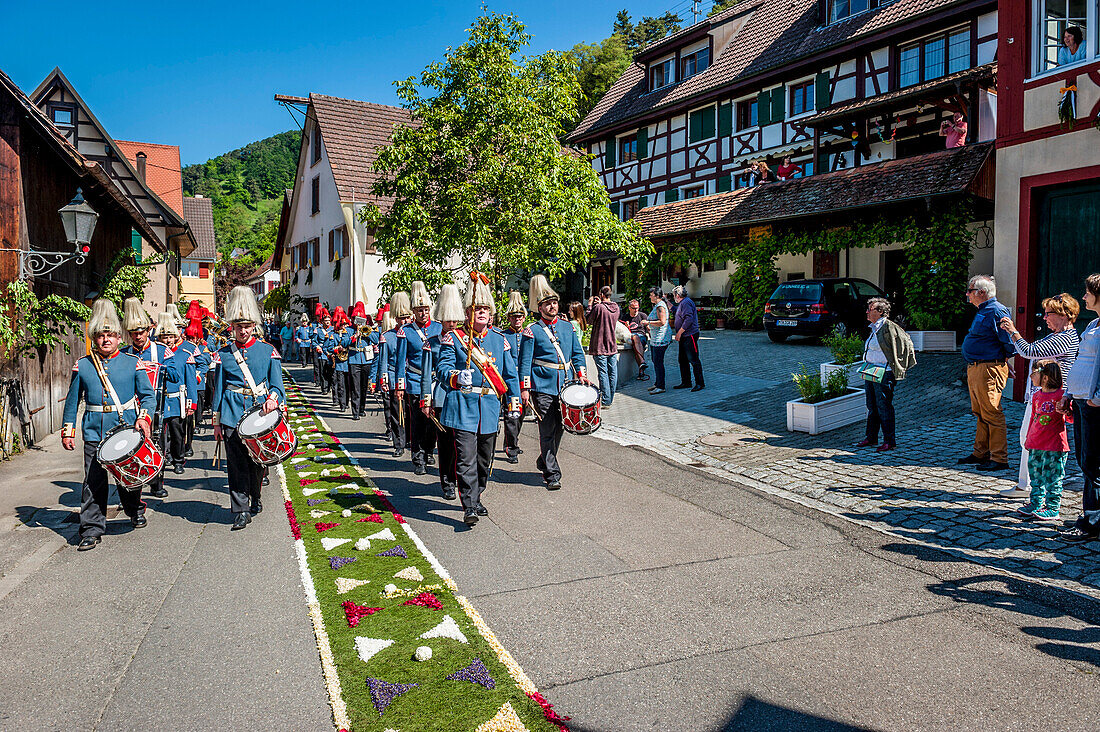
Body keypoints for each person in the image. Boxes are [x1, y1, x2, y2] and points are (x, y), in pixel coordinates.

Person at [62, 300, 157, 551]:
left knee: (128, 477)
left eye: (111, 335)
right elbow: (73, 400)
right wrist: (68, 429)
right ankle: (91, 529)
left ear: (118, 337)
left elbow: (147, 395)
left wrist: (144, 417)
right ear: (94, 337)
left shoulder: (132, 362)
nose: (106, 340)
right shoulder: (82, 365)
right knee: (93, 480)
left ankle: (134, 509)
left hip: (125, 429)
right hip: (94, 429)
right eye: (101, 335)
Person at [438, 275, 522, 526]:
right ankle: (470, 505)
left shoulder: (499, 339)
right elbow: (442, 368)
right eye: (478, 309)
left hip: (489, 406)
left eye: (486, 309)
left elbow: (510, 375)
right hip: (463, 406)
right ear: (467, 313)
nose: (482, 313)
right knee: (465, 458)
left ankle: (477, 493)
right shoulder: (453, 338)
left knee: (484, 460)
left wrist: (514, 402)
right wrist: (455, 376)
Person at [211, 286, 286, 531]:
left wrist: (273, 398)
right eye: (238, 326)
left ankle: (256, 496)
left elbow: (277, 386)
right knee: (236, 465)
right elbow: (219, 390)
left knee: (257, 465)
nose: (242, 331)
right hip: (232, 416)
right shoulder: (223, 355)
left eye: (247, 326)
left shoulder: (268, 351)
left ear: (254, 325)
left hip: (259, 416)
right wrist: (217, 422)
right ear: (232, 327)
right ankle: (240, 509)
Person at [998, 293, 1080, 498]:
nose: (1044, 317)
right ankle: (1026, 484)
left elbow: (1029, 350)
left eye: (1048, 313)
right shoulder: (1057, 336)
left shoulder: (1065, 338)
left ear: (1064, 314)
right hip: (1040, 396)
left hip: (1050, 399)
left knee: (1035, 440)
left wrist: (1012, 330)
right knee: (1027, 438)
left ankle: (1034, 488)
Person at [519, 275, 589, 491]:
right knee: (547, 430)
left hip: (565, 385)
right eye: (547, 303)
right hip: (542, 385)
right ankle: (552, 474)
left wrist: (582, 373)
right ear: (540, 308)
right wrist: (525, 388)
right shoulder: (532, 330)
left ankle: (544, 459)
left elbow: (577, 353)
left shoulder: (568, 328)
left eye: (554, 302)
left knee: (560, 428)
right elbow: (525, 362)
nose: (552, 306)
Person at [121, 298, 179, 499]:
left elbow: (175, 376)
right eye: (134, 333)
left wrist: (157, 368)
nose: (138, 336)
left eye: (141, 332)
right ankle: (132, 484)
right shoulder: (124, 353)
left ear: (148, 331)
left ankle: (157, 483)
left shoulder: (162, 350)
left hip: (156, 407)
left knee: (156, 444)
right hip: (131, 408)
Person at [1058, 274, 1100, 542]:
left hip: (1095, 403)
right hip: (1083, 399)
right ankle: (1090, 513)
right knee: (1085, 460)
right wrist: (1069, 393)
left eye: (1087, 292)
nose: (1083, 297)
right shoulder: (1094, 324)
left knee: (1094, 463)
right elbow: (1081, 363)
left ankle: (1093, 521)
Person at [958, 275, 1015, 472]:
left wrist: (1003, 361)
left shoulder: (996, 311)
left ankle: (999, 458)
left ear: (982, 293)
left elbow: (1008, 341)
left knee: (992, 411)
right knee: (980, 411)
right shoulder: (985, 310)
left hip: (988, 368)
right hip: (977, 367)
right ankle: (980, 452)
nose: (968, 295)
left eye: (970, 291)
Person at [853, 298, 915, 452]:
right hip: (871, 371)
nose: (867, 312)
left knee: (884, 407)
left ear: (880, 312)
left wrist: (898, 366)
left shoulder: (889, 328)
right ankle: (871, 437)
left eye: (870, 309)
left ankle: (889, 441)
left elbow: (905, 345)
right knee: (872, 406)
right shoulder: (874, 327)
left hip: (884, 373)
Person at [422, 283, 465, 500]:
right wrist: (426, 400)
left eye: (455, 320)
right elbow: (426, 375)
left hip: (463, 397)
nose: (452, 324)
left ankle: (463, 480)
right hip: (440, 394)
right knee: (446, 443)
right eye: (448, 320)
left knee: (464, 444)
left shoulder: (467, 341)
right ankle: (447, 481)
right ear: (441, 320)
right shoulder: (431, 342)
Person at [396, 282, 443, 476]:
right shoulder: (405, 331)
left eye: (426, 310)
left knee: (433, 420)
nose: (423, 313)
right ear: (413, 312)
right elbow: (400, 360)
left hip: (434, 381)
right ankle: (418, 457)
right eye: (419, 310)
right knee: (417, 421)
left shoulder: (439, 328)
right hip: (415, 380)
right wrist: (400, 385)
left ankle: (429, 449)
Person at [1016, 360, 1070, 522]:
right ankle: (1036, 502)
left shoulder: (1061, 395)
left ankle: (1053, 507)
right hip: (1036, 444)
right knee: (1035, 475)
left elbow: (1072, 418)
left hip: (1055, 446)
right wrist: (1028, 439)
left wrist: (1066, 410)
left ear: (1045, 377)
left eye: (1034, 374)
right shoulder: (1036, 395)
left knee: (1053, 477)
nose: (1031, 377)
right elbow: (1033, 418)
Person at [154, 312, 197, 475]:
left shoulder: (185, 354)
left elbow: (191, 381)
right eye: (164, 337)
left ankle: (178, 460)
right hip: (159, 401)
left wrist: (191, 403)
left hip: (176, 399)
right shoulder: (155, 353)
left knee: (177, 432)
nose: (167, 340)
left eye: (170, 337)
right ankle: (163, 458)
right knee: (159, 434)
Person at [382, 292, 412, 456]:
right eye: (402, 318)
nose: (405, 321)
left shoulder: (414, 333)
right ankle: (399, 443)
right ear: (396, 319)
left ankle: (412, 441)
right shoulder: (388, 336)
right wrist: (384, 380)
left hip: (412, 378)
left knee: (413, 413)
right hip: (394, 377)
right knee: (397, 412)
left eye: (407, 317)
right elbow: (384, 361)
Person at [499, 291, 527, 463]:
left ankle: (512, 441)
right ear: (509, 318)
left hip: (522, 380)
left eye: (520, 316)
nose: (517, 319)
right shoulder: (503, 336)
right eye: (514, 316)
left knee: (520, 414)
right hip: (507, 380)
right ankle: (511, 448)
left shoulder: (528, 334)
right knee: (511, 414)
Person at [587, 286, 621, 408]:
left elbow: (589, 320)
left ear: (601, 294)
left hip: (600, 344)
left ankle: (606, 400)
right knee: (613, 372)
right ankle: (610, 397)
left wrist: (590, 304)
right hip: (612, 344)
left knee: (603, 372)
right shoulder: (616, 307)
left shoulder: (599, 307)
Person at [347, 302, 378, 421]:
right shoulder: (349, 330)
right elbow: (344, 342)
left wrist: (367, 332)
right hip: (354, 360)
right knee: (355, 387)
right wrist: (355, 336)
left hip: (366, 360)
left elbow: (376, 340)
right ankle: (355, 411)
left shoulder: (369, 329)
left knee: (364, 386)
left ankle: (362, 408)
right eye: (356, 319)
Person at [672, 286, 705, 391]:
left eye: (673, 296)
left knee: (693, 359)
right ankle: (686, 382)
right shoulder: (682, 303)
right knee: (682, 360)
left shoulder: (686, 303)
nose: (673, 298)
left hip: (689, 335)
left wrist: (679, 333)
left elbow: (688, 319)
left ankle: (700, 383)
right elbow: (675, 310)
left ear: (677, 295)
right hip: (684, 336)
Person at [643, 287, 672, 394]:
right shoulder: (657, 305)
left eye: (651, 295)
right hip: (655, 338)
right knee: (655, 362)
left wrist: (648, 323)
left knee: (658, 362)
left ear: (656, 295)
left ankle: (661, 386)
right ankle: (657, 383)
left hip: (661, 339)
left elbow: (662, 321)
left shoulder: (660, 306)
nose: (650, 297)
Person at [325, 306, 352, 410]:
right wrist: (337, 349)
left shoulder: (348, 334)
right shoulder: (333, 335)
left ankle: (346, 402)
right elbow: (330, 348)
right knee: (340, 384)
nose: (343, 327)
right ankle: (342, 404)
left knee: (348, 384)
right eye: (341, 325)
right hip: (339, 363)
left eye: (344, 324)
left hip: (348, 362)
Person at [620, 298, 650, 381]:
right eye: (633, 308)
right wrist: (625, 327)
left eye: (637, 308)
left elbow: (648, 328)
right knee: (634, 339)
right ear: (629, 308)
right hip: (630, 335)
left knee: (636, 337)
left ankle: (642, 363)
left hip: (641, 336)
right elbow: (622, 331)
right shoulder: (626, 317)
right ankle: (642, 367)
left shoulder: (642, 315)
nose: (636, 310)